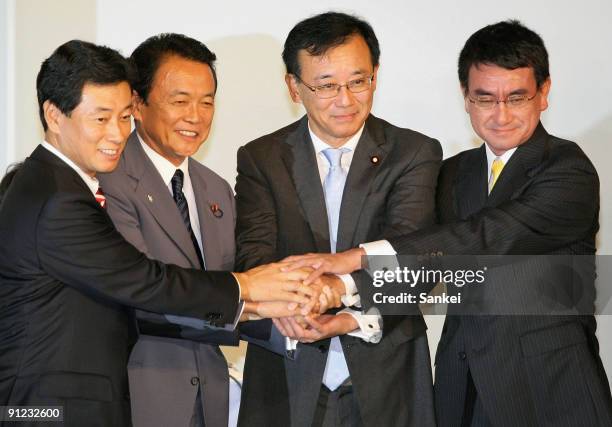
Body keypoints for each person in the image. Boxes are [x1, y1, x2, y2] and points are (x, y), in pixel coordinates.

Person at [286, 20, 612, 426]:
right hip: (461, 392)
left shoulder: (568, 170)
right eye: (485, 98)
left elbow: (484, 237)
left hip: (549, 393)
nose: (501, 114)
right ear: (465, 98)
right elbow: (427, 265)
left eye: (517, 97)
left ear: (543, 93)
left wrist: (353, 260)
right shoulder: (454, 172)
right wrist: (351, 313)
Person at [0, 39, 317, 427]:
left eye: (122, 118)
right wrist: (247, 288)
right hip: (52, 407)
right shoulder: (58, 197)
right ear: (54, 115)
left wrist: (274, 305)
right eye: (101, 119)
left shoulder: (59, 185)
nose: (117, 133)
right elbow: (143, 282)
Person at [235, 12, 442, 427]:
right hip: (287, 373)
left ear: (376, 76)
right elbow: (254, 253)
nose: (345, 99)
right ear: (294, 87)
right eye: (327, 85)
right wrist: (287, 306)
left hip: (387, 375)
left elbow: (413, 258)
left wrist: (336, 290)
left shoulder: (413, 153)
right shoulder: (262, 157)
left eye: (358, 81)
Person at [98, 33, 269, 427]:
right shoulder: (110, 179)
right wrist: (255, 299)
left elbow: (230, 276)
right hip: (137, 396)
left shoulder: (217, 189)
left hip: (209, 396)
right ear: (137, 105)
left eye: (207, 102)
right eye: (180, 101)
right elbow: (141, 296)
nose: (196, 115)